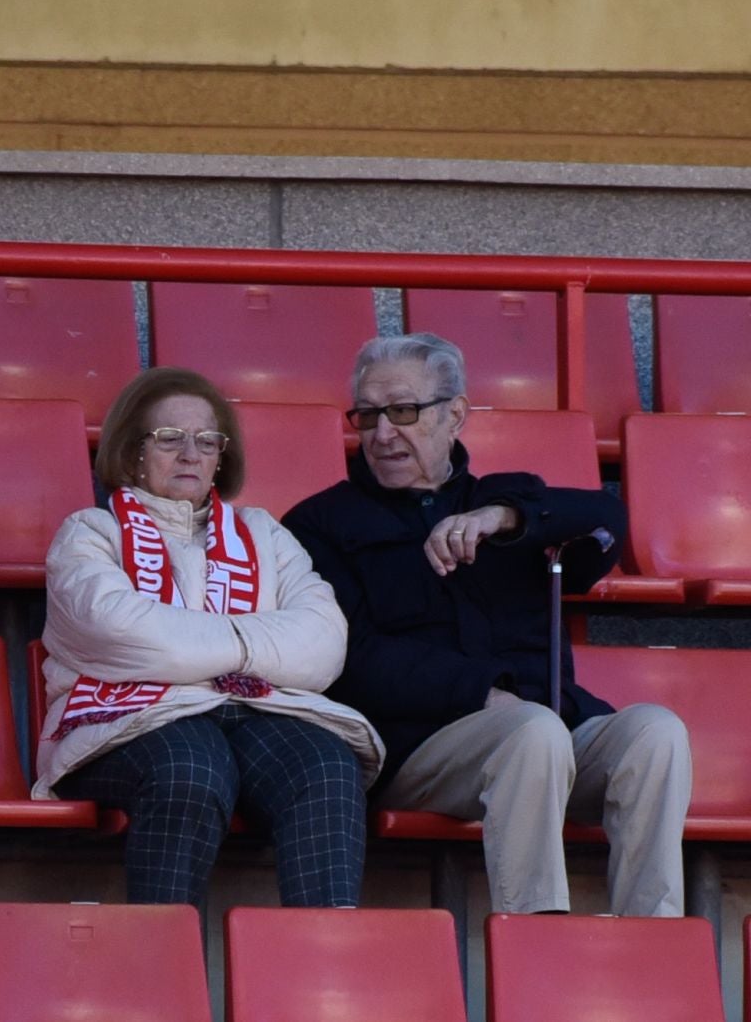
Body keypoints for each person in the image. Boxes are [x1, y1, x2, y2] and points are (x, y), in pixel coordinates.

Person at [283, 332, 691, 916]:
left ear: (456, 415)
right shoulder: (321, 523)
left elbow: (605, 522)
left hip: (549, 727)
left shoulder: (508, 503)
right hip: (422, 746)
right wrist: (480, 694)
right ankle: (535, 937)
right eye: (368, 415)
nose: (381, 433)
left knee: (657, 730)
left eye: (403, 410)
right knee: (531, 730)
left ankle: (654, 938)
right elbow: (349, 658)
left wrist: (506, 517)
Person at [35, 367, 382, 909]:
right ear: (132, 455)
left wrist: (201, 645)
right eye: (170, 440)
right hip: (127, 720)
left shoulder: (265, 533)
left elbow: (323, 642)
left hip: (253, 711)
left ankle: (324, 977)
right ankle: (159, 973)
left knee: (327, 766)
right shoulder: (90, 533)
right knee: (191, 768)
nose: (191, 454)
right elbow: (125, 633)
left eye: (206, 441)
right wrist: (256, 643)